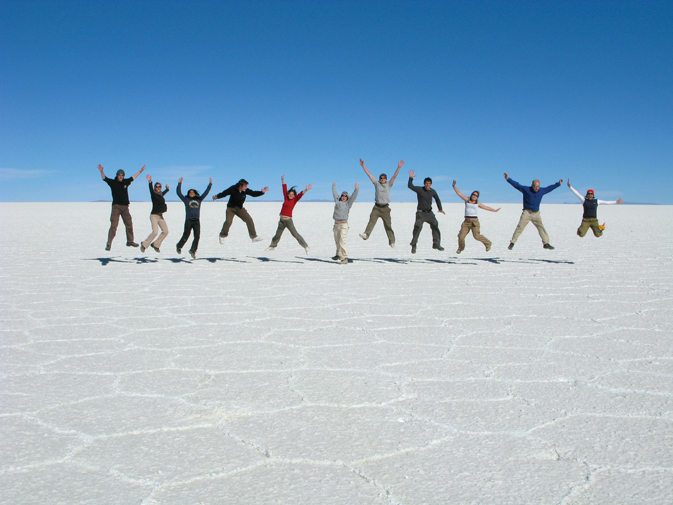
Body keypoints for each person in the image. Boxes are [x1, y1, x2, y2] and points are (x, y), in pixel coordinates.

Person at [504, 173, 562, 250]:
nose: (537, 188)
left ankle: (546, 243)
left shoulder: (541, 191)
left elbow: (550, 188)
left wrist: (558, 184)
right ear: (532, 185)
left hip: (536, 213)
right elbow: (517, 185)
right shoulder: (526, 190)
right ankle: (512, 242)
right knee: (520, 227)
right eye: (535, 186)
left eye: (538, 186)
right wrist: (508, 179)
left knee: (541, 227)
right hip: (527, 212)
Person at [98, 164, 145, 251]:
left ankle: (130, 241)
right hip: (116, 207)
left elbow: (132, 178)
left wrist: (140, 171)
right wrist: (101, 171)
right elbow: (104, 178)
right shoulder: (113, 182)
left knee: (129, 224)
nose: (120, 177)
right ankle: (109, 243)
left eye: (122, 175)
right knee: (114, 225)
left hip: (125, 207)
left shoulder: (125, 182)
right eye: (119, 175)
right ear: (117, 175)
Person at [358, 159, 403, 248]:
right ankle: (366, 234)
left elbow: (394, 176)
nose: (382, 179)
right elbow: (369, 175)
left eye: (384, 178)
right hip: (377, 207)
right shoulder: (377, 184)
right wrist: (363, 166)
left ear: (386, 179)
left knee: (388, 225)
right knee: (372, 221)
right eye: (381, 178)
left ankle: (392, 241)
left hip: (385, 208)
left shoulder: (389, 184)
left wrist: (399, 167)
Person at [265, 174, 311, 254]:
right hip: (281, 221)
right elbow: (284, 189)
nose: (291, 195)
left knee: (295, 235)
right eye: (290, 194)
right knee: (277, 235)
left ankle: (306, 247)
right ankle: (272, 246)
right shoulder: (286, 198)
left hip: (288, 221)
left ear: (294, 196)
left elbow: (300, 195)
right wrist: (282, 180)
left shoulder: (294, 200)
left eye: (292, 194)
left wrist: (306, 190)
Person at [452, 180, 500, 254]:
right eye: (473, 194)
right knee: (461, 237)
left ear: (477, 197)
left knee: (477, 236)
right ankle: (460, 248)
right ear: (471, 195)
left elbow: (486, 207)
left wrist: (495, 210)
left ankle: (488, 244)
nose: (474, 196)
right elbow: (459, 194)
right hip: (466, 222)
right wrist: (454, 186)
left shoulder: (478, 204)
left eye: (476, 195)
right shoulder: (467, 200)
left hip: (474, 222)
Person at [408, 170, 445, 253]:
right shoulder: (420, 189)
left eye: (429, 183)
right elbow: (410, 186)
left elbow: (437, 199)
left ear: (431, 184)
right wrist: (410, 178)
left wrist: (440, 208)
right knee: (418, 226)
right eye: (426, 183)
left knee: (435, 225)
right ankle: (414, 244)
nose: (427, 184)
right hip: (420, 213)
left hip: (429, 213)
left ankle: (436, 244)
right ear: (424, 183)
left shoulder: (433, 191)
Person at [176, 177, 212, 259]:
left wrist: (210, 184)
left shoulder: (199, 199)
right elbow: (179, 193)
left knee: (197, 236)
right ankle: (179, 246)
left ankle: (193, 250)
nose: (191, 193)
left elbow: (206, 193)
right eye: (190, 192)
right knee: (186, 235)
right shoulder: (186, 200)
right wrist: (179, 184)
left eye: (192, 192)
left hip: (196, 220)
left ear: (195, 193)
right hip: (189, 220)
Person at [140, 175, 170, 253]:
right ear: (154, 188)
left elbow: (163, 193)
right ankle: (144, 244)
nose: (158, 188)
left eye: (159, 186)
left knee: (165, 231)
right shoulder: (154, 194)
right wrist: (150, 182)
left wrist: (167, 189)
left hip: (160, 216)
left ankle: (156, 244)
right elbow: (150, 189)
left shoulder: (160, 195)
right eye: (157, 187)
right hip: (154, 216)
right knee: (155, 232)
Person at [332, 182, 359, 264]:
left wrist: (356, 189)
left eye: (345, 196)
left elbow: (353, 197)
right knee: (337, 240)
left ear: (347, 198)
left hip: (343, 224)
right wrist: (333, 186)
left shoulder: (348, 204)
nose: (344, 197)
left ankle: (344, 258)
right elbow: (334, 194)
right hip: (336, 224)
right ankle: (338, 254)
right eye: (343, 196)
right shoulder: (337, 201)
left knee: (342, 241)